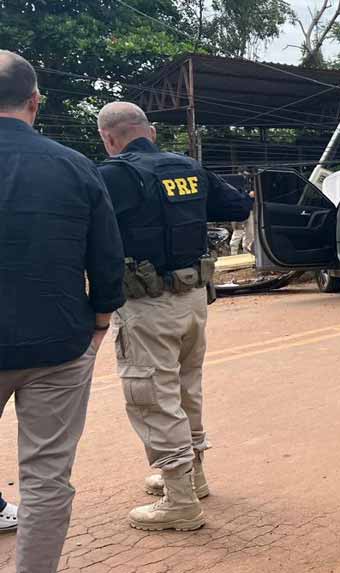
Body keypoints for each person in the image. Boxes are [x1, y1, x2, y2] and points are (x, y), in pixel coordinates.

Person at [0, 50, 126, 573]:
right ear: (35, 101)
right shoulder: (76, 167)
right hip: (56, 342)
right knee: (46, 474)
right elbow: (106, 257)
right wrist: (99, 322)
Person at [96, 102, 251, 532]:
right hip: (193, 300)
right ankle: (193, 476)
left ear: (109, 139)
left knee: (152, 396)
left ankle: (179, 500)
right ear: (152, 133)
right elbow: (239, 207)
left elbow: (83, 233)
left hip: (147, 306)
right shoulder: (189, 168)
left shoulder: (111, 176)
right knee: (186, 389)